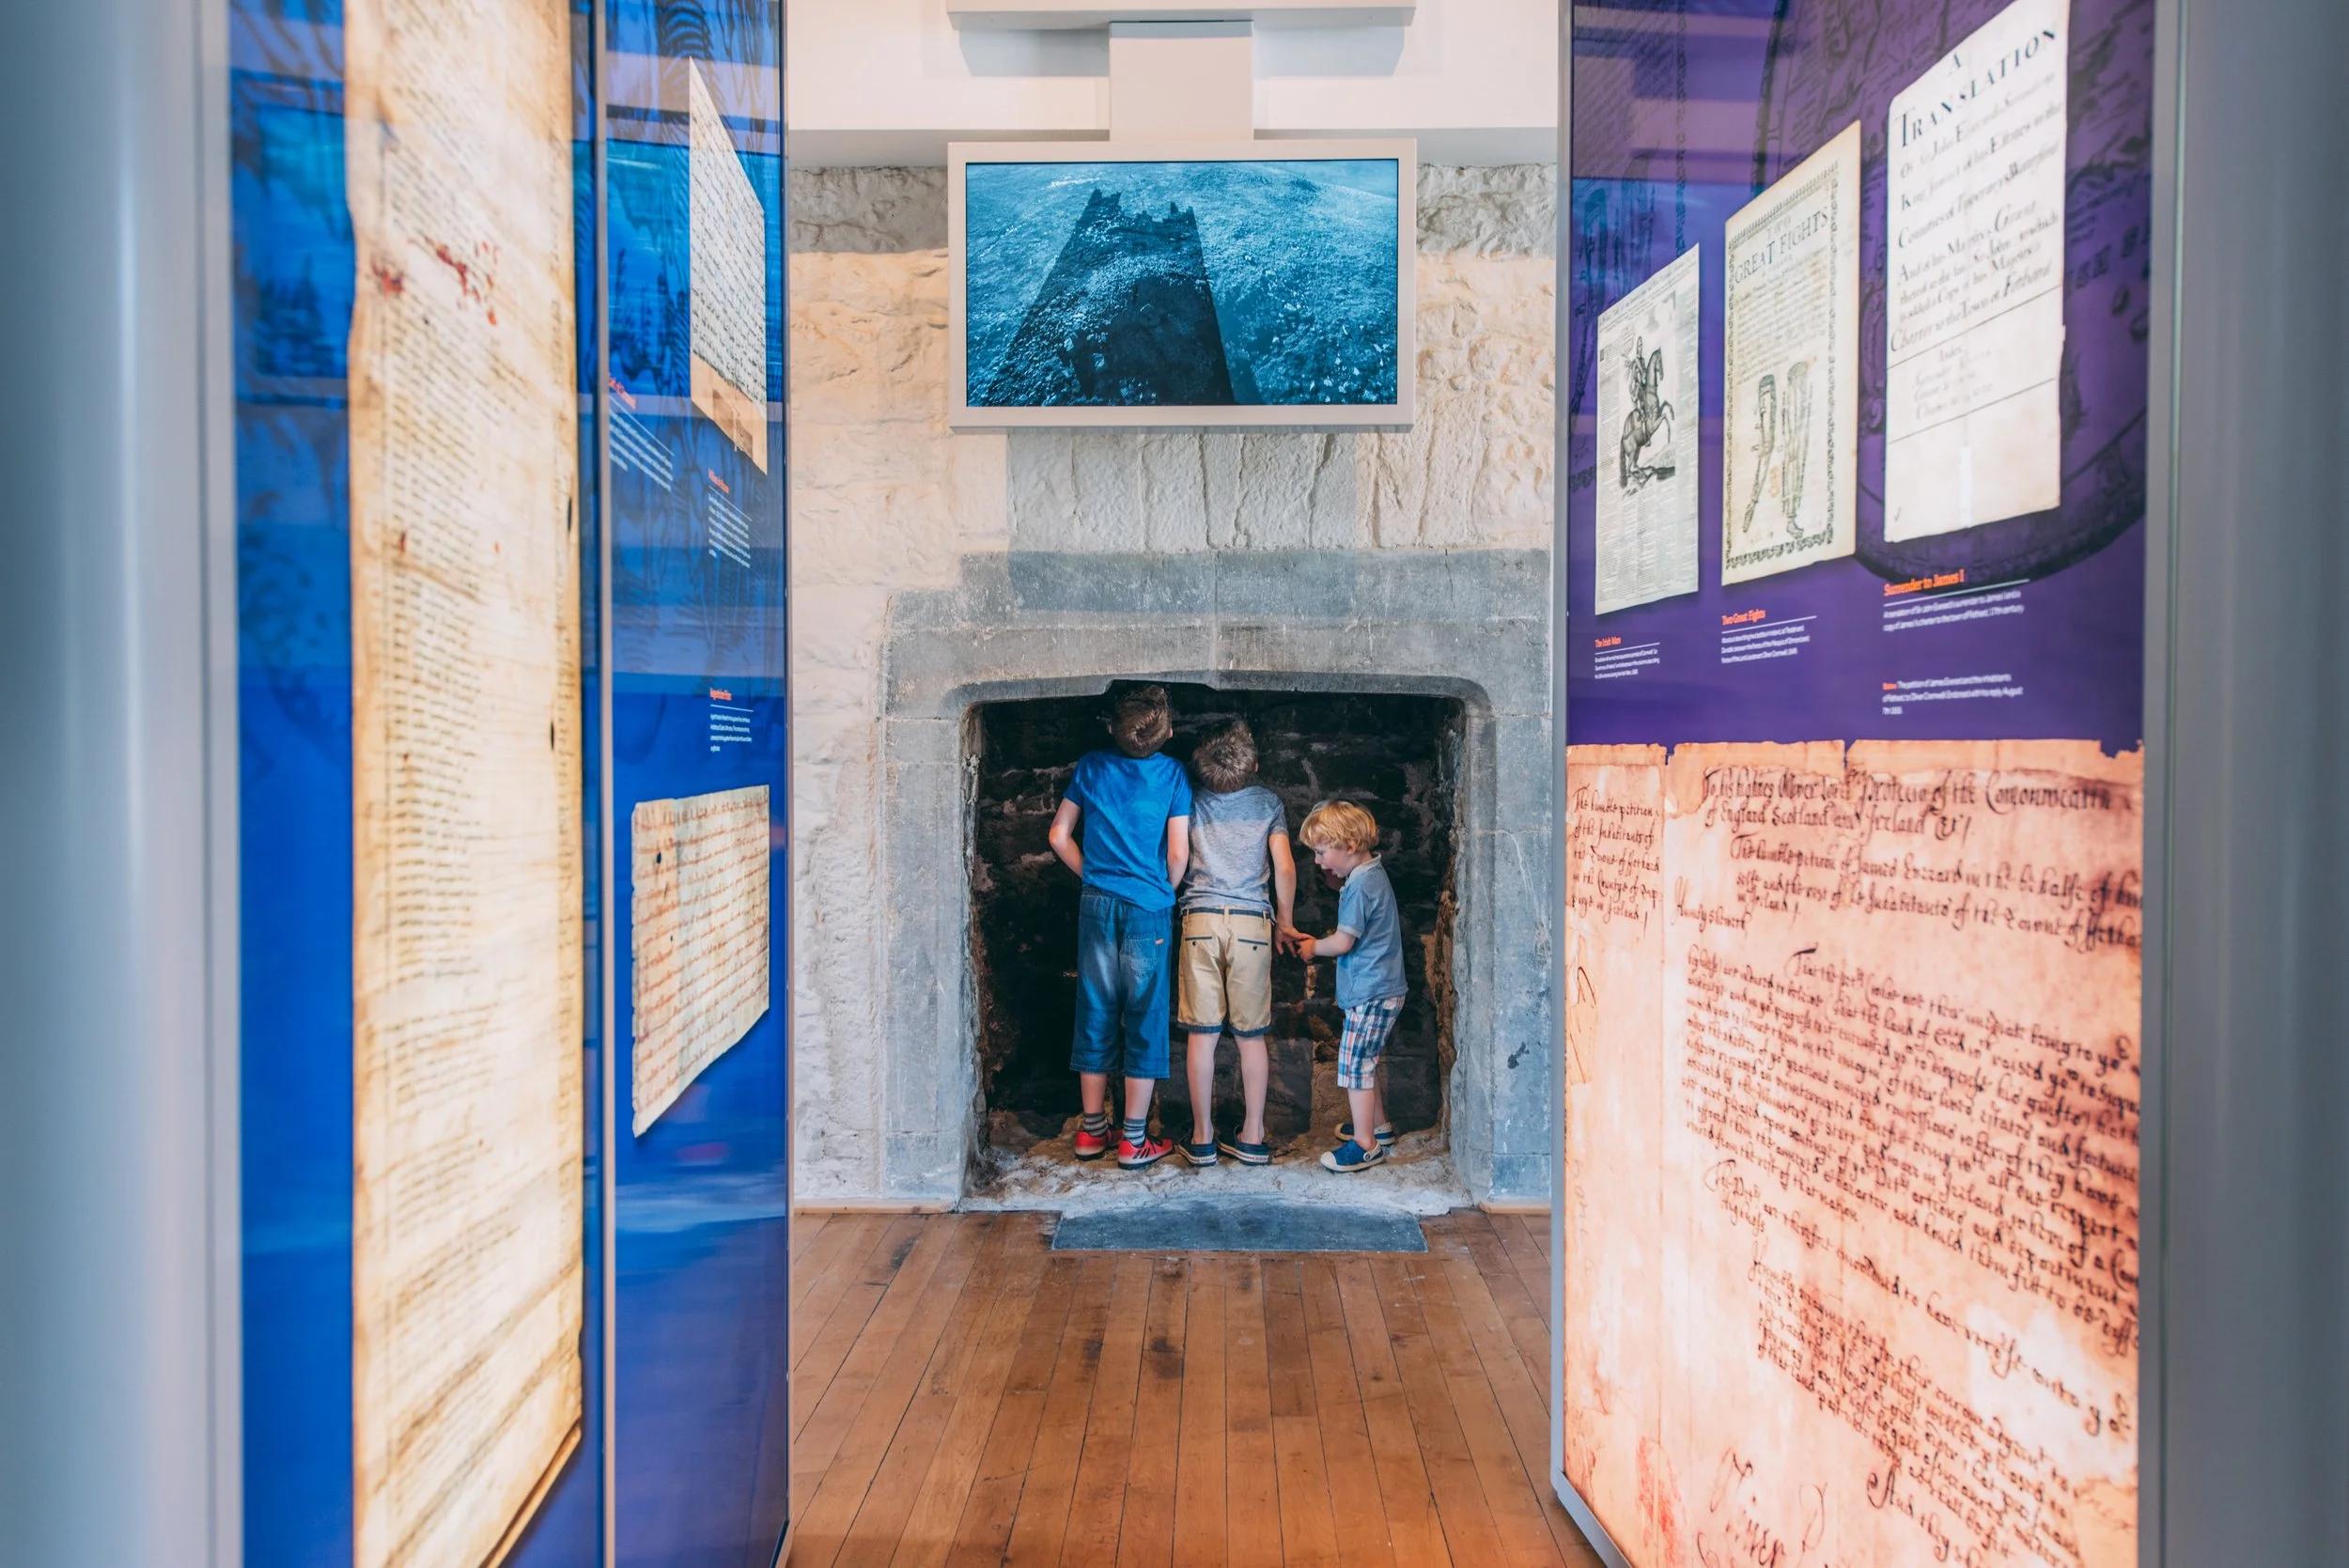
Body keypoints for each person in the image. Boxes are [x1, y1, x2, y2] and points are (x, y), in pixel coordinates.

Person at [1047, 685, 1191, 1169]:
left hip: (1096, 905)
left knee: (1096, 1007)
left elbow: (1058, 835)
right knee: (1146, 1014)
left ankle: (1091, 1133)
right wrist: (1161, 891)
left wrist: (1093, 874)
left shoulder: (1090, 765)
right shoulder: (1173, 773)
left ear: (1112, 728)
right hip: (1147, 907)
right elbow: (1177, 852)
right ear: (1168, 733)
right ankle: (1133, 1138)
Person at [1173, 721, 1297, 1168]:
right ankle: (1253, 1136)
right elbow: (1284, 868)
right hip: (1251, 926)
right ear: (1255, 766)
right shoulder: (1268, 803)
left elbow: (1177, 854)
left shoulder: (1190, 799)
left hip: (1200, 920)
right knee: (1251, 1037)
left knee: (1202, 1037)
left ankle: (1203, 1138)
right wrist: (1284, 922)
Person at [1292, 800, 1407, 1172]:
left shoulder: (1360, 885)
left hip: (1373, 990)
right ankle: (1377, 1126)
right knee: (1365, 1062)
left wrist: (1312, 948)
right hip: (1379, 987)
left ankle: (1365, 1144)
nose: (1320, 862)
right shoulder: (1369, 874)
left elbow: (1342, 943)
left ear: (1350, 845)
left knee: (1355, 1064)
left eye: (1323, 852)